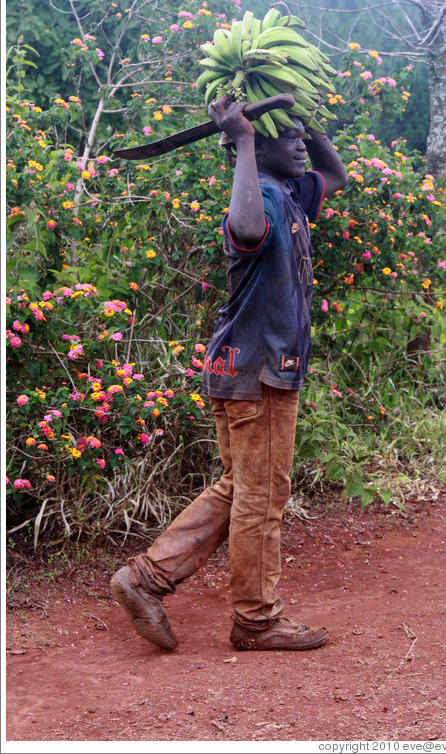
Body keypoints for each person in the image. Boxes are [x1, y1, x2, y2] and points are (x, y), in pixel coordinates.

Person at [110, 94, 348, 652]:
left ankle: (144, 579)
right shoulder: (261, 195)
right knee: (262, 497)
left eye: (299, 135)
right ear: (257, 145)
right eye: (285, 136)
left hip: (245, 366)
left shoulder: (291, 194)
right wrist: (243, 139)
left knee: (242, 488)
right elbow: (244, 227)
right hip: (258, 370)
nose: (299, 143)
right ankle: (257, 620)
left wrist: (302, 118)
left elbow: (333, 173)